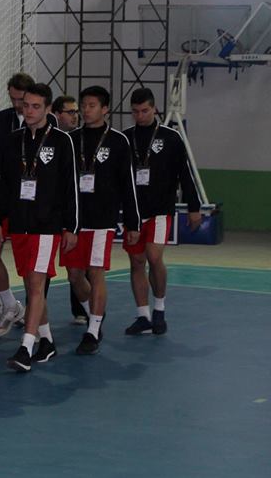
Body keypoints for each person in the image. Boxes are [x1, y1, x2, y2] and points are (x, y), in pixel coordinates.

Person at [0, 83, 78, 373]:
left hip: (47, 225)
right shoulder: (12, 141)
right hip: (19, 225)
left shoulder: (62, 142)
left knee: (36, 287)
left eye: (35, 106)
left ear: (48, 109)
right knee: (30, 285)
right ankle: (48, 342)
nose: (29, 111)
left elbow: (70, 188)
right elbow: (2, 185)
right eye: (26, 105)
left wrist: (71, 226)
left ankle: (26, 348)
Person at [60, 86, 140, 355]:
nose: (85, 109)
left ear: (105, 109)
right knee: (73, 275)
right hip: (75, 220)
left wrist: (133, 223)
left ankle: (93, 330)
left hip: (102, 219)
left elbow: (128, 185)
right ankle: (95, 314)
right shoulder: (71, 140)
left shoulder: (118, 141)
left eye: (92, 105)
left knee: (96, 271)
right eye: (83, 105)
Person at [122, 88, 202, 336]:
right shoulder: (125, 139)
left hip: (160, 210)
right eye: (135, 112)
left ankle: (159, 309)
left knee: (154, 257)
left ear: (154, 108)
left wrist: (194, 207)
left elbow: (185, 174)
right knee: (136, 262)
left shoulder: (171, 137)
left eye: (144, 111)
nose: (140, 116)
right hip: (134, 212)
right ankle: (143, 315)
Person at [0, 73, 41, 338]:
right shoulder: (1, 119)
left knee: (30, 266)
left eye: (23, 100)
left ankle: (37, 316)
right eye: (14, 99)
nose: (18, 105)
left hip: (31, 202)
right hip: (3, 196)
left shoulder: (46, 126)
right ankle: (9, 304)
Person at [52, 94, 89, 323]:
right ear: (57, 114)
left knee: (79, 266)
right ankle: (35, 316)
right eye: (71, 112)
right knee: (41, 269)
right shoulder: (51, 140)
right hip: (49, 211)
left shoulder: (80, 139)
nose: (76, 116)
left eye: (77, 111)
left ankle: (83, 310)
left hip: (76, 210)